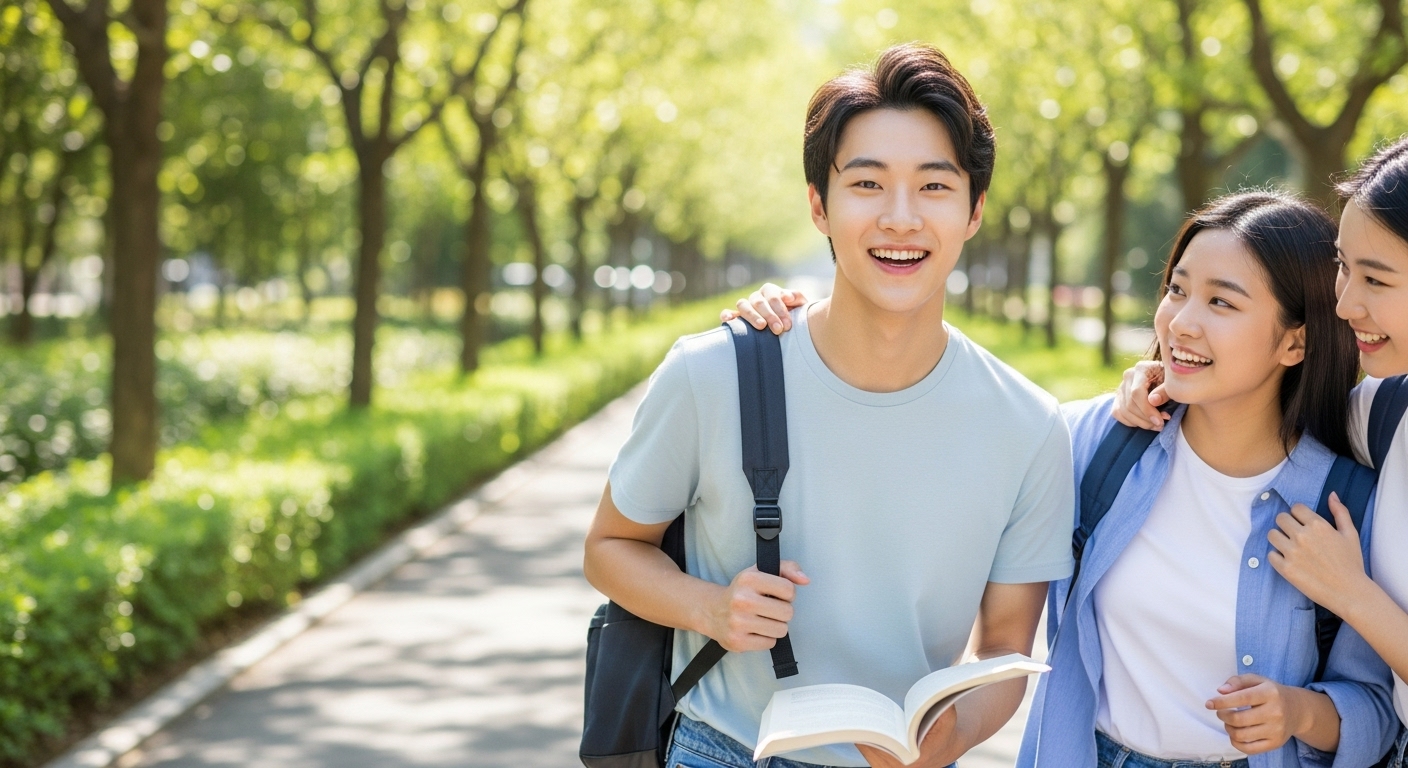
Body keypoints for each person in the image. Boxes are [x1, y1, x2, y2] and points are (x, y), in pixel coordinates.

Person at [727, 191, 1397, 767]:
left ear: (1295, 341)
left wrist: (1299, 712)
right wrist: (795, 325)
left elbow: (1378, 709)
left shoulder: (1345, 504)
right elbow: (939, 427)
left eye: (1221, 302)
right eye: (1177, 289)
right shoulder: (1095, 442)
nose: (1180, 322)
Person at [583, 44, 1076, 768]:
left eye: (934, 186)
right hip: (722, 748)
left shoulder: (1029, 426)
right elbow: (609, 548)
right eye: (867, 183)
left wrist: (954, 735)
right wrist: (709, 608)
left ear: (974, 210)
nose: (900, 218)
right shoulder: (711, 374)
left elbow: (1005, 646)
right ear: (819, 204)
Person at [1113, 137, 1408, 767]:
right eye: (1343, 267)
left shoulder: (1352, 479)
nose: (1344, 303)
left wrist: (1352, 595)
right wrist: (1159, 378)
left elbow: (1370, 704)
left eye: (1376, 278)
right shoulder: (1381, 417)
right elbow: (1283, 410)